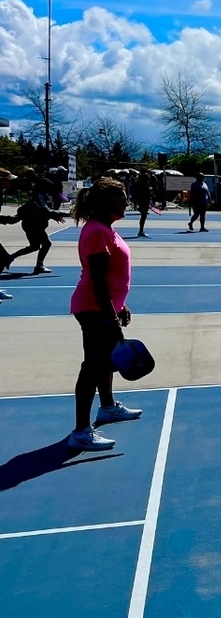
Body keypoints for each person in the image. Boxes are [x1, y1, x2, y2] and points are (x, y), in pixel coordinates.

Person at [67, 177, 142, 451]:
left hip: (102, 306)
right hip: (93, 308)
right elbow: (98, 279)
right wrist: (109, 315)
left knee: (104, 361)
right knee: (93, 366)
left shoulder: (106, 229)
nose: (125, 201)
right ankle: (81, 432)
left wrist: (120, 306)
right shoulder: (98, 231)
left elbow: (111, 276)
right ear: (106, 202)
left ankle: (108, 407)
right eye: (121, 197)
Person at [7, 168, 68, 274]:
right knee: (45, 244)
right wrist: (69, 214)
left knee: (35, 246)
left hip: (37, 223)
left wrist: (55, 216)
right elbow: (46, 210)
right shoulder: (39, 195)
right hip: (31, 224)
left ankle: (10, 258)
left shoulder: (47, 195)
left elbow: (47, 211)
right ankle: (36, 265)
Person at [132, 170, 153, 237]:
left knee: (143, 216)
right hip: (144, 202)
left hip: (141, 202)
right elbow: (146, 195)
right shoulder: (144, 186)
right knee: (143, 216)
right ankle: (141, 231)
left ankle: (141, 230)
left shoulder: (138, 184)